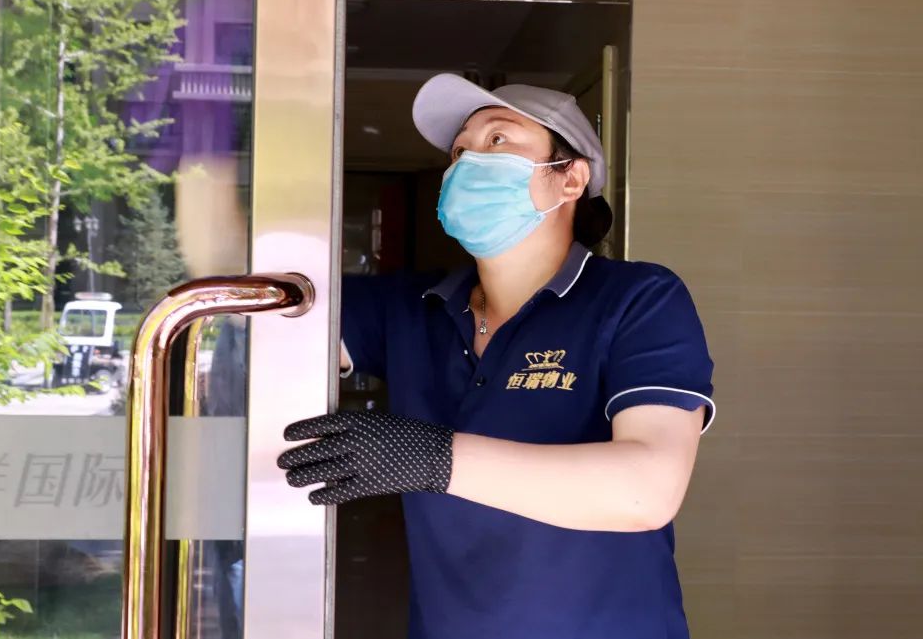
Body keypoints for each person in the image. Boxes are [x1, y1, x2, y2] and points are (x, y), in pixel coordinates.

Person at [278, 73, 716, 639]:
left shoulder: (637, 299)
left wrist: (433, 459)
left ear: (570, 177)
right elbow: (268, 314)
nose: (467, 163)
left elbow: (647, 491)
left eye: (497, 140)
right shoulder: (409, 307)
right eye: (459, 151)